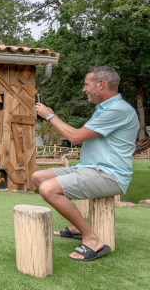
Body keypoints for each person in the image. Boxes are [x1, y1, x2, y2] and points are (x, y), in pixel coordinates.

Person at [33, 66, 139, 262]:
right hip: (89, 169)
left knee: (48, 189)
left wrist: (49, 115)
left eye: (86, 84)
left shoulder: (118, 110)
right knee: (38, 177)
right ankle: (75, 227)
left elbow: (75, 137)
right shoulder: (103, 110)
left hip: (109, 175)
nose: (83, 89)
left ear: (101, 84)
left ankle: (92, 240)